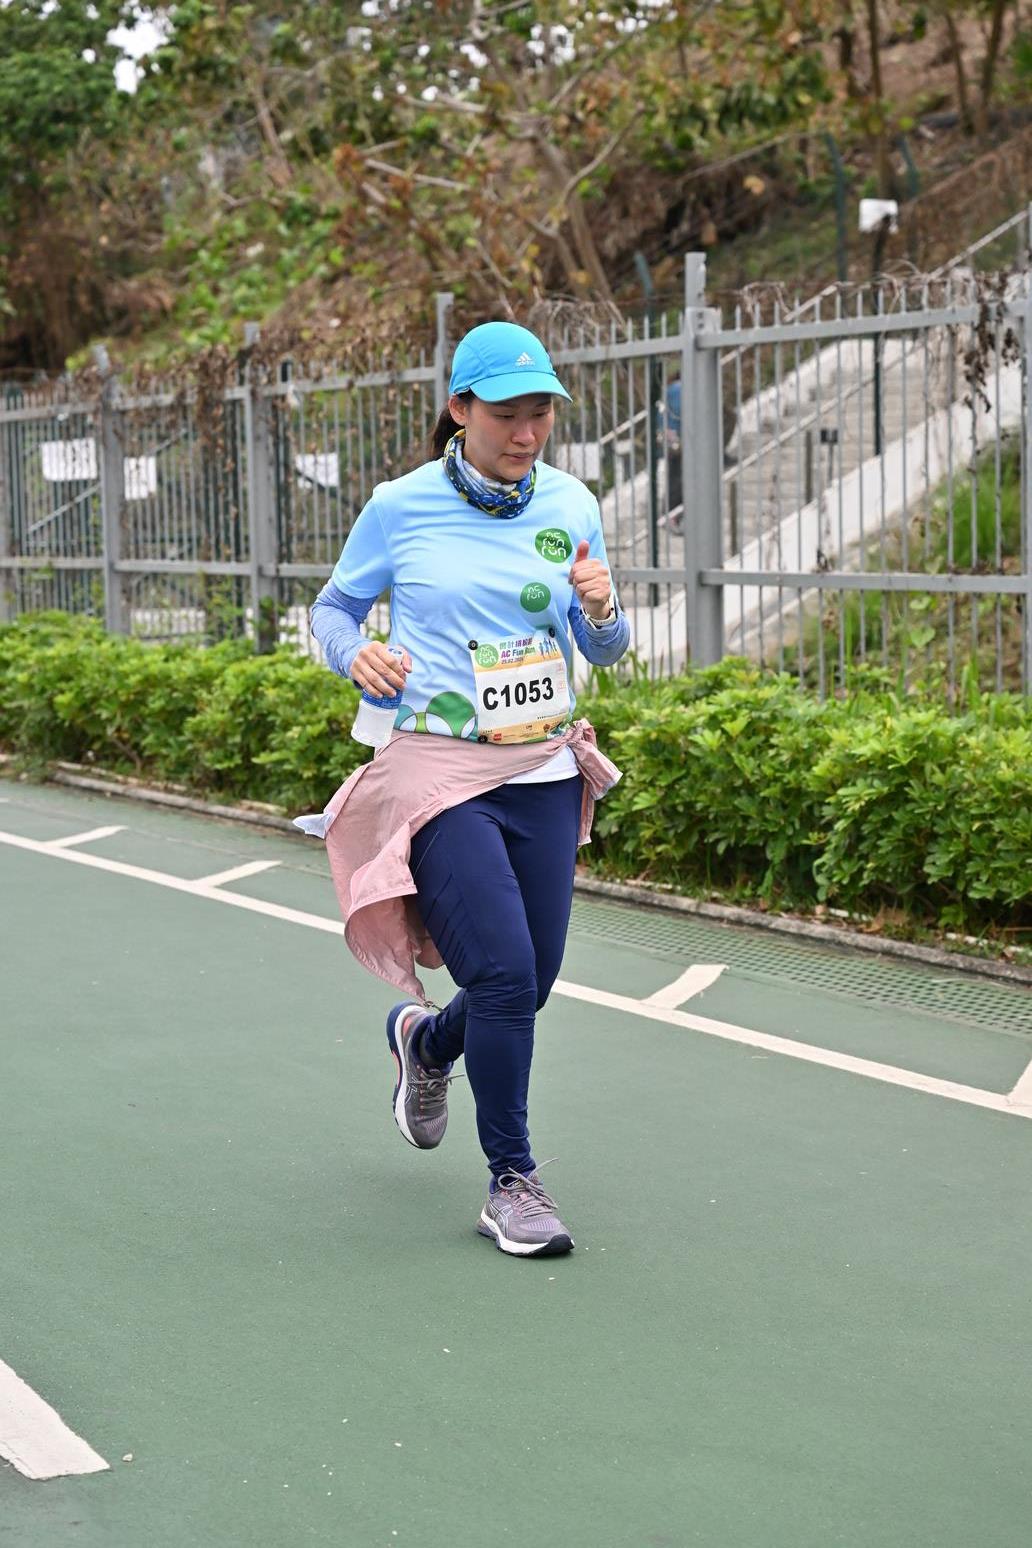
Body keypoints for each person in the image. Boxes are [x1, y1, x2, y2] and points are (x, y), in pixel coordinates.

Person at [308, 320, 630, 1258]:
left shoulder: (571, 502)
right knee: (500, 973)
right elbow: (332, 609)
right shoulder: (399, 506)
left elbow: (607, 647)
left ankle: (427, 1042)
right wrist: (354, 654)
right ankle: (512, 1182)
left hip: (542, 765)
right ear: (459, 409)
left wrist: (604, 610)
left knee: (531, 981)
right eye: (506, 415)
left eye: (542, 415)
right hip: (439, 771)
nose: (526, 433)